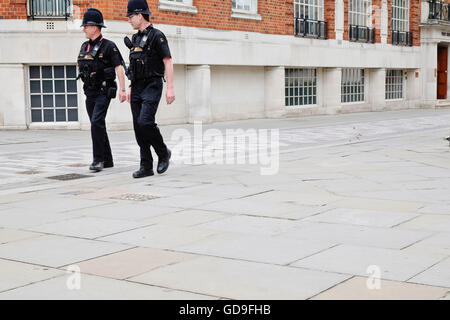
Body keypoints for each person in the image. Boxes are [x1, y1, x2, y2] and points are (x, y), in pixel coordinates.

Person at [125, 0, 175, 178]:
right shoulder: (135, 39)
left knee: (145, 122)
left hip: (152, 84)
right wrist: (130, 86)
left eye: (131, 16)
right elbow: (133, 66)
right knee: (138, 128)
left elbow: (167, 60)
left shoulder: (157, 36)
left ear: (140, 15)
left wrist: (170, 87)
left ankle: (163, 153)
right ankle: (146, 166)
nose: (129, 20)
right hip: (137, 86)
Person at [77, 8, 127, 172]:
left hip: (103, 92)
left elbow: (119, 67)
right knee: (96, 123)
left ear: (95, 27)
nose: (84, 28)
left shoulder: (108, 46)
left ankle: (98, 160)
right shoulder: (85, 46)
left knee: (96, 122)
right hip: (89, 92)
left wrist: (122, 89)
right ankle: (108, 160)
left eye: (86, 25)